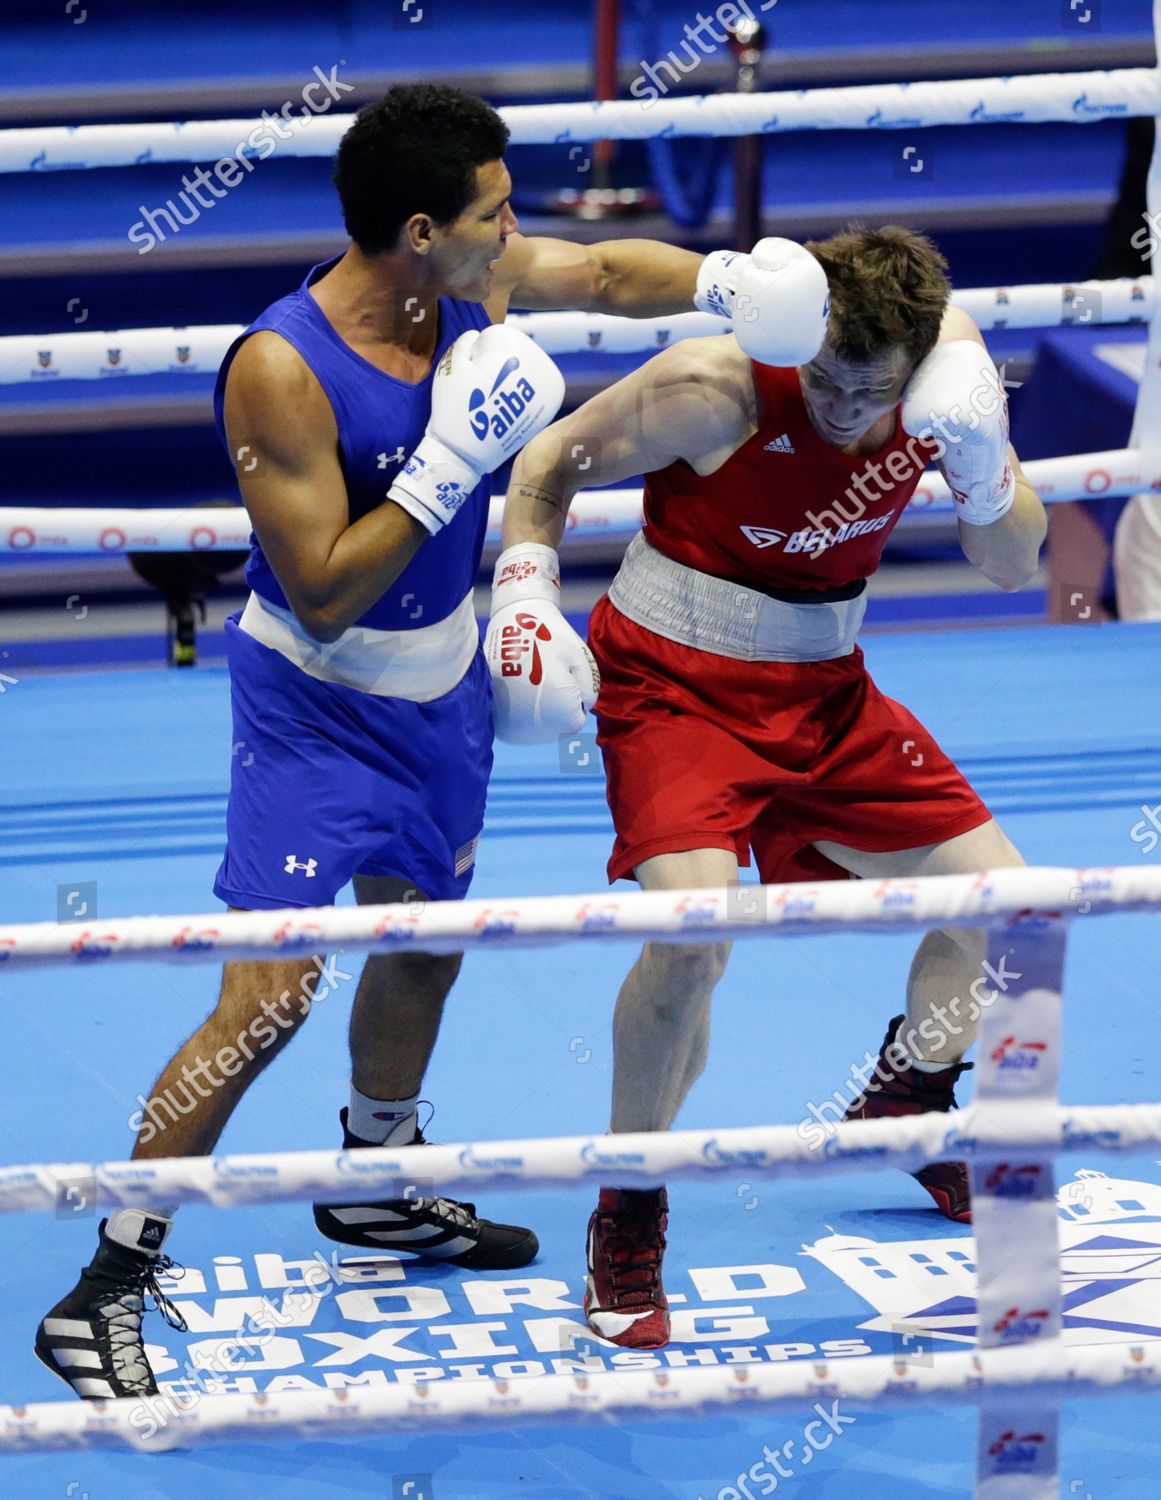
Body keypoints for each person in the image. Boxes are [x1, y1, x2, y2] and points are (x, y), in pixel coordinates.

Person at [35, 81, 770, 1401]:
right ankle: (109, 1279)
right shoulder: (278, 367)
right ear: (422, 229)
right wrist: (446, 466)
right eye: (495, 216)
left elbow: (604, 268)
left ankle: (377, 1183)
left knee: (423, 949)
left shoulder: (473, 289)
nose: (517, 235)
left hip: (443, 698)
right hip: (315, 707)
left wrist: (738, 278)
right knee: (269, 1000)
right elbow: (319, 584)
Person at [485, 225, 1047, 1350]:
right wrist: (524, 593)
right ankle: (628, 1209)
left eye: (869, 391)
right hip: (674, 685)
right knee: (695, 936)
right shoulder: (715, 386)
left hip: (826, 689)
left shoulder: (950, 384)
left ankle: (909, 1100)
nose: (844, 409)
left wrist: (983, 466)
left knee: (1008, 908)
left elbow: (1013, 562)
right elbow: (546, 464)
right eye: (827, 377)